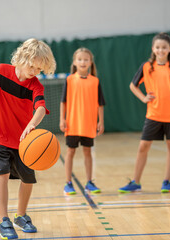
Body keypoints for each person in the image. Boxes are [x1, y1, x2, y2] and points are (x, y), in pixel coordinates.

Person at [0, 38, 56, 239]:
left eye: (39, 69)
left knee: (28, 179)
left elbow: (39, 108)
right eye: (32, 65)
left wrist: (32, 124)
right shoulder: (2, 71)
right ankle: (4, 221)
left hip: (24, 139)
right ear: (22, 57)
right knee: (1, 175)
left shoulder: (36, 86)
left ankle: (20, 216)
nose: (34, 71)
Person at [118, 32, 170, 193]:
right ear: (153, 49)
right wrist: (143, 98)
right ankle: (136, 182)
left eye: (164, 47)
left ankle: (167, 181)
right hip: (153, 114)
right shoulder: (146, 67)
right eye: (158, 47)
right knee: (143, 146)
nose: (161, 50)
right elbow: (132, 85)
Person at [59, 47, 105, 195]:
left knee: (87, 152)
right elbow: (63, 102)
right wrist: (62, 119)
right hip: (72, 123)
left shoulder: (95, 81)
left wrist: (101, 121)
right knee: (70, 151)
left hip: (89, 123)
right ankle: (68, 183)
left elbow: (100, 103)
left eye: (86, 59)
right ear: (74, 62)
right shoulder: (70, 80)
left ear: (91, 62)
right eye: (80, 59)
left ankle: (89, 182)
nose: (83, 62)